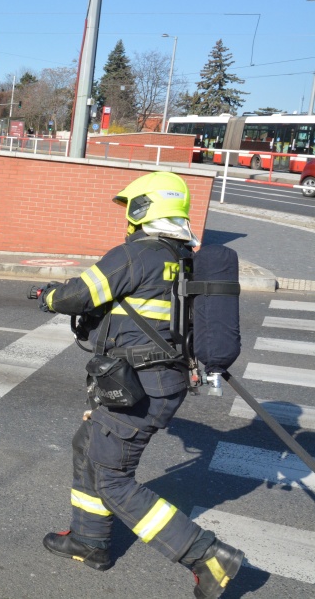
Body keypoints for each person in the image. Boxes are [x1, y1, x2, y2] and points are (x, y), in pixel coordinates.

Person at [35, 171, 244, 599]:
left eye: (131, 208)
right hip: (157, 382)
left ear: (144, 208)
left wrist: (48, 296)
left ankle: (205, 554)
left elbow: (81, 294)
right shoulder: (182, 255)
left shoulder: (136, 254)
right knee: (86, 444)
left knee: (114, 480)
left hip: (139, 388)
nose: (127, 219)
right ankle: (89, 541)